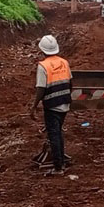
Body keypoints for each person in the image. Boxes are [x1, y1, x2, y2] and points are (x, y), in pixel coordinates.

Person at [30, 34, 72, 176]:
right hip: (64, 103)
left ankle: (58, 167)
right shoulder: (64, 62)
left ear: (42, 50)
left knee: (54, 134)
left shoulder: (43, 66)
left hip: (52, 105)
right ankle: (61, 160)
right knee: (58, 132)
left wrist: (34, 106)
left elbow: (41, 88)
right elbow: (70, 82)